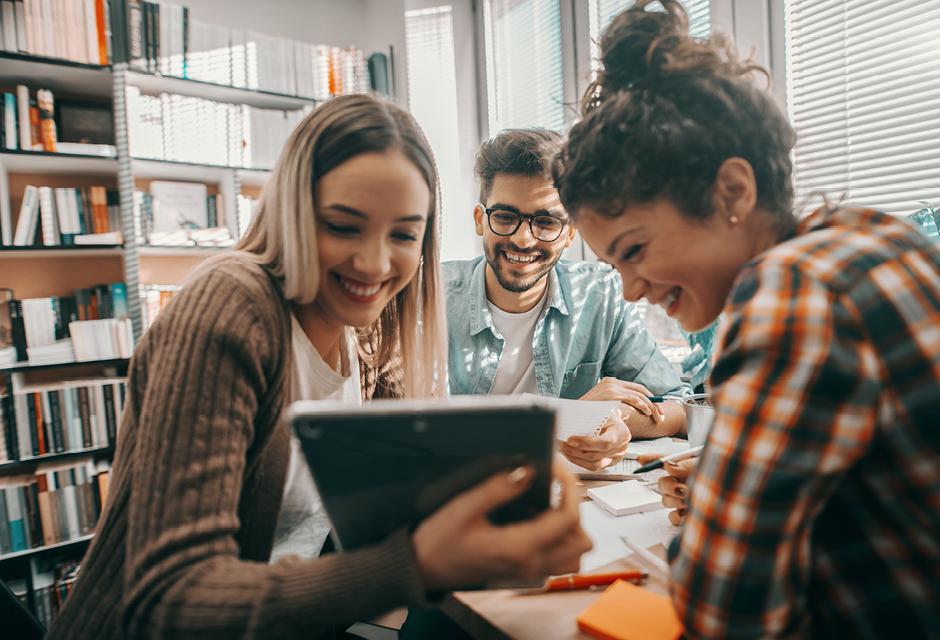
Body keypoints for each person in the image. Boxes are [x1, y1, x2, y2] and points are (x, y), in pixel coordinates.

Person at [47, 94, 592, 640]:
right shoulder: (232, 304)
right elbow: (173, 600)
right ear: (294, 213)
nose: (375, 262)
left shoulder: (369, 329)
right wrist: (415, 565)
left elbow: (396, 503)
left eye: (403, 234)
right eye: (344, 226)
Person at [553, 1, 940, 637]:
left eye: (635, 251)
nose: (628, 290)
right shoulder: (868, 238)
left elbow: (722, 611)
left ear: (731, 191)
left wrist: (716, 517)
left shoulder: (791, 292)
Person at [444, 128, 690, 471]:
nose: (524, 239)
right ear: (479, 221)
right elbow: (421, 432)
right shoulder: (432, 299)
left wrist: (614, 419)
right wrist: (569, 418)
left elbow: (677, 406)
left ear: (570, 232)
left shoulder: (601, 293)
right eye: (505, 217)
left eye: (545, 222)